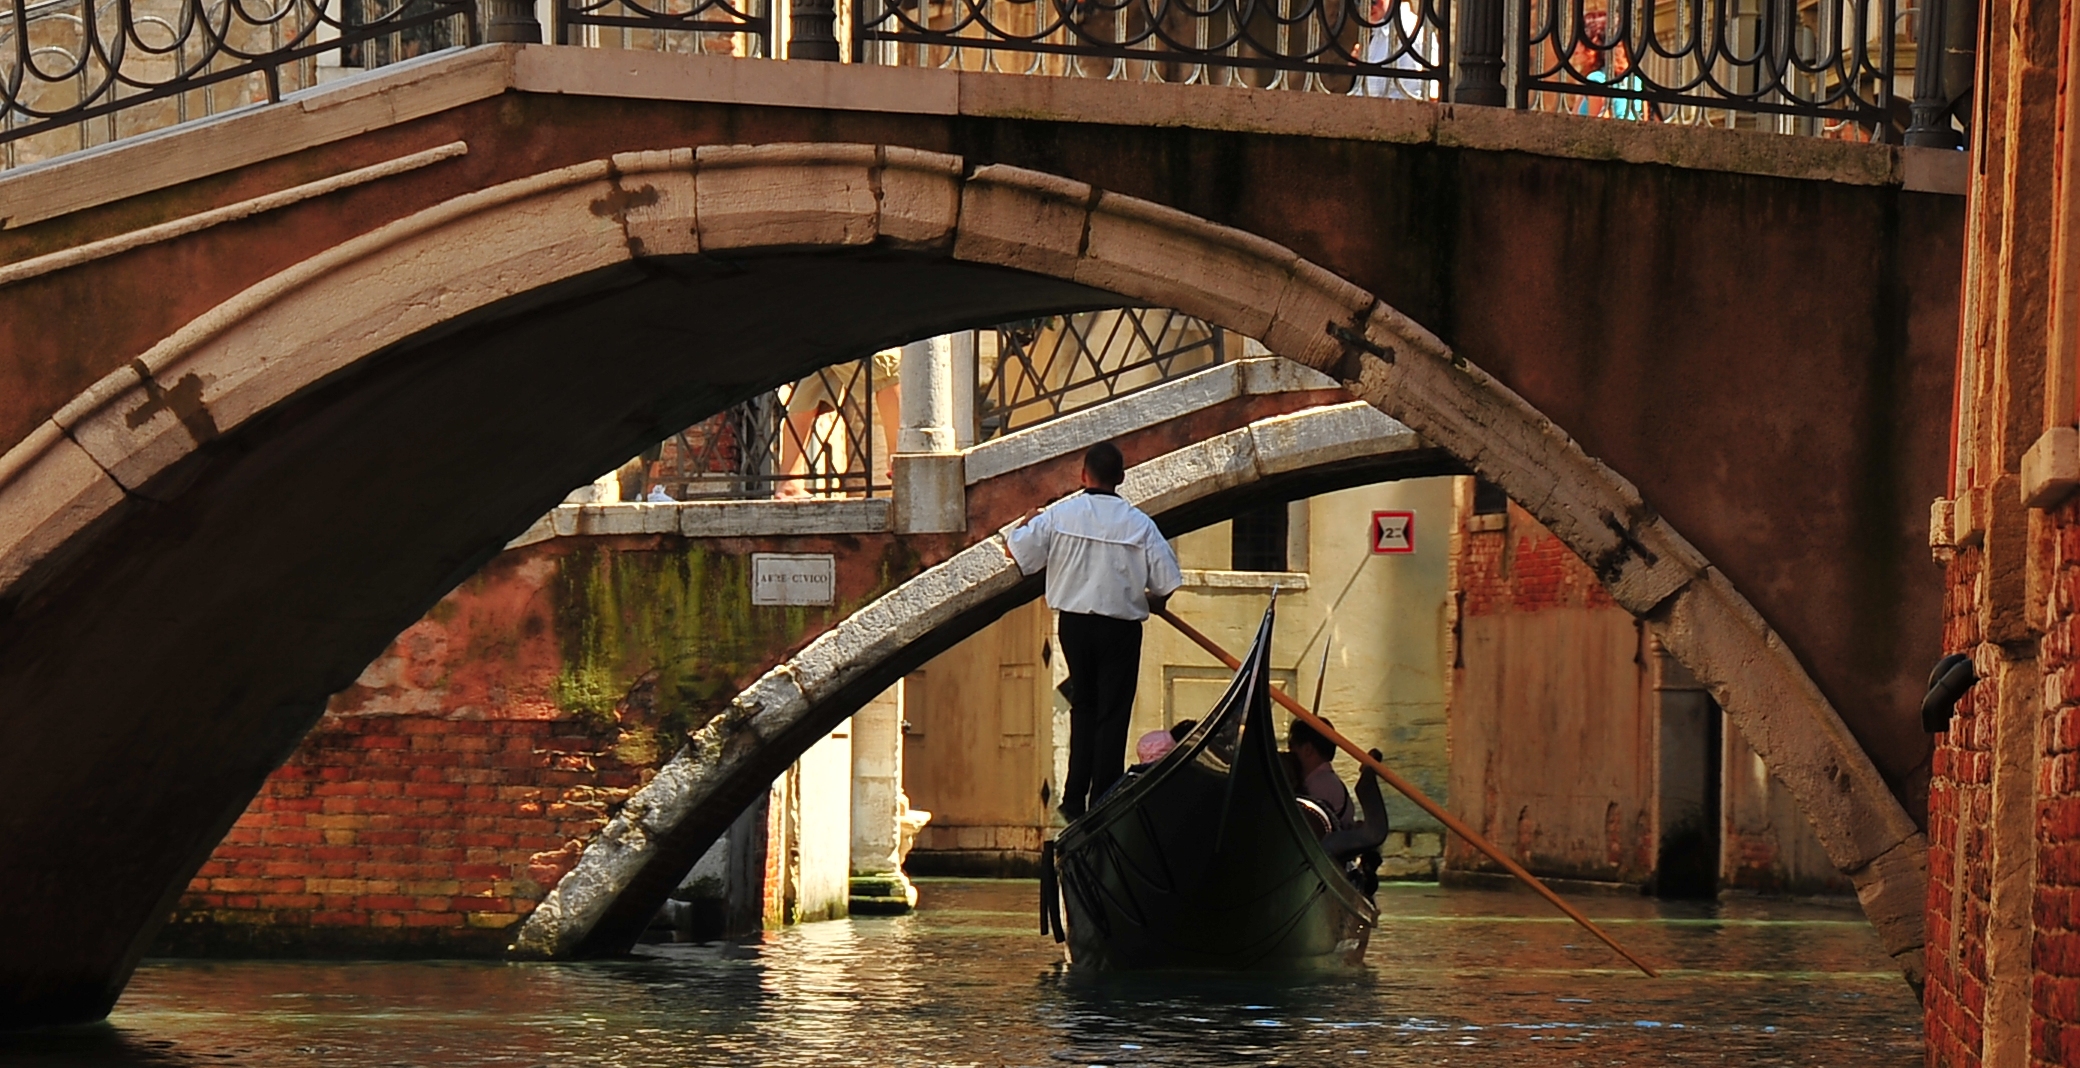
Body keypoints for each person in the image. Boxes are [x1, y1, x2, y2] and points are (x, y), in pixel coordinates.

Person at [1008, 442, 1183, 821]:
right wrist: (1153, 598)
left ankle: (1073, 799)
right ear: (1121, 478)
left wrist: (1026, 522)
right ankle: (1103, 799)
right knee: (1113, 713)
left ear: (1083, 475)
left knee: (1084, 707)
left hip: (1075, 626)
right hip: (1120, 629)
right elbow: (1168, 581)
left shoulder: (1060, 516)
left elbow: (1020, 552)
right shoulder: (1139, 524)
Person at [1289, 716, 1354, 832]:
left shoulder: (1320, 785)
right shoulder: (1327, 781)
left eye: (1291, 746)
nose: (1289, 753)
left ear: (1307, 749)